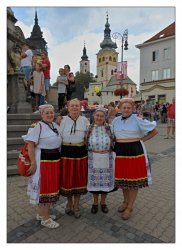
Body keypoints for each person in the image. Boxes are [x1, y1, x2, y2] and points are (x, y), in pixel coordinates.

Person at [112, 98, 158, 220]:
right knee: (123, 180)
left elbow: (154, 131)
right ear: (120, 109)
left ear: (132, 109)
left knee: (133, 181)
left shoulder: (137, 120)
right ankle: (125, 201)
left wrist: (142, 140)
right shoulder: (115, 120)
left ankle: (130, 207)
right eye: (124, 107)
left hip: (134, 152)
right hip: (120, 152)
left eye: (128, 108)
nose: (126, 109)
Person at [22, 104, 62, 228]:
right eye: (47, 113)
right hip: (43, 163)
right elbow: (30, 145)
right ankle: (46, 219)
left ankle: (41, 214)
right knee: (43, 189)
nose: (50, 115)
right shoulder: (37, 126)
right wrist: (33, 163)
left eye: (51, 112)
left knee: (49, 188)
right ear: (41, 114)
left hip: (53, 161)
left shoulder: (54, 125)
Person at [59, 99, 89, 218]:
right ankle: (69, 203)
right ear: (68, 107)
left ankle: (76, 205)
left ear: (80, 107)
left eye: (77, 106)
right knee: (67, 179)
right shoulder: (62, 120)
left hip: (80, 152)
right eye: (72, 106)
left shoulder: (85, 120)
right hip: (66, 152)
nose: (75, 108)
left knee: (79, 178)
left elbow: (89, 136)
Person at [86, 108, 115, 214]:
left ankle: (103, 203)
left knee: (105, 182)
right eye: (97, 115)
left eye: (101, 116)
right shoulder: (89, 128)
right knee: (95, 182)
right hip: (93, 157)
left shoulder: (110, 128)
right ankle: (94, 203)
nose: (99, 118)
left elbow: (115, 141)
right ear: (94, 116)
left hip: (107, 158)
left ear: (105, 118)